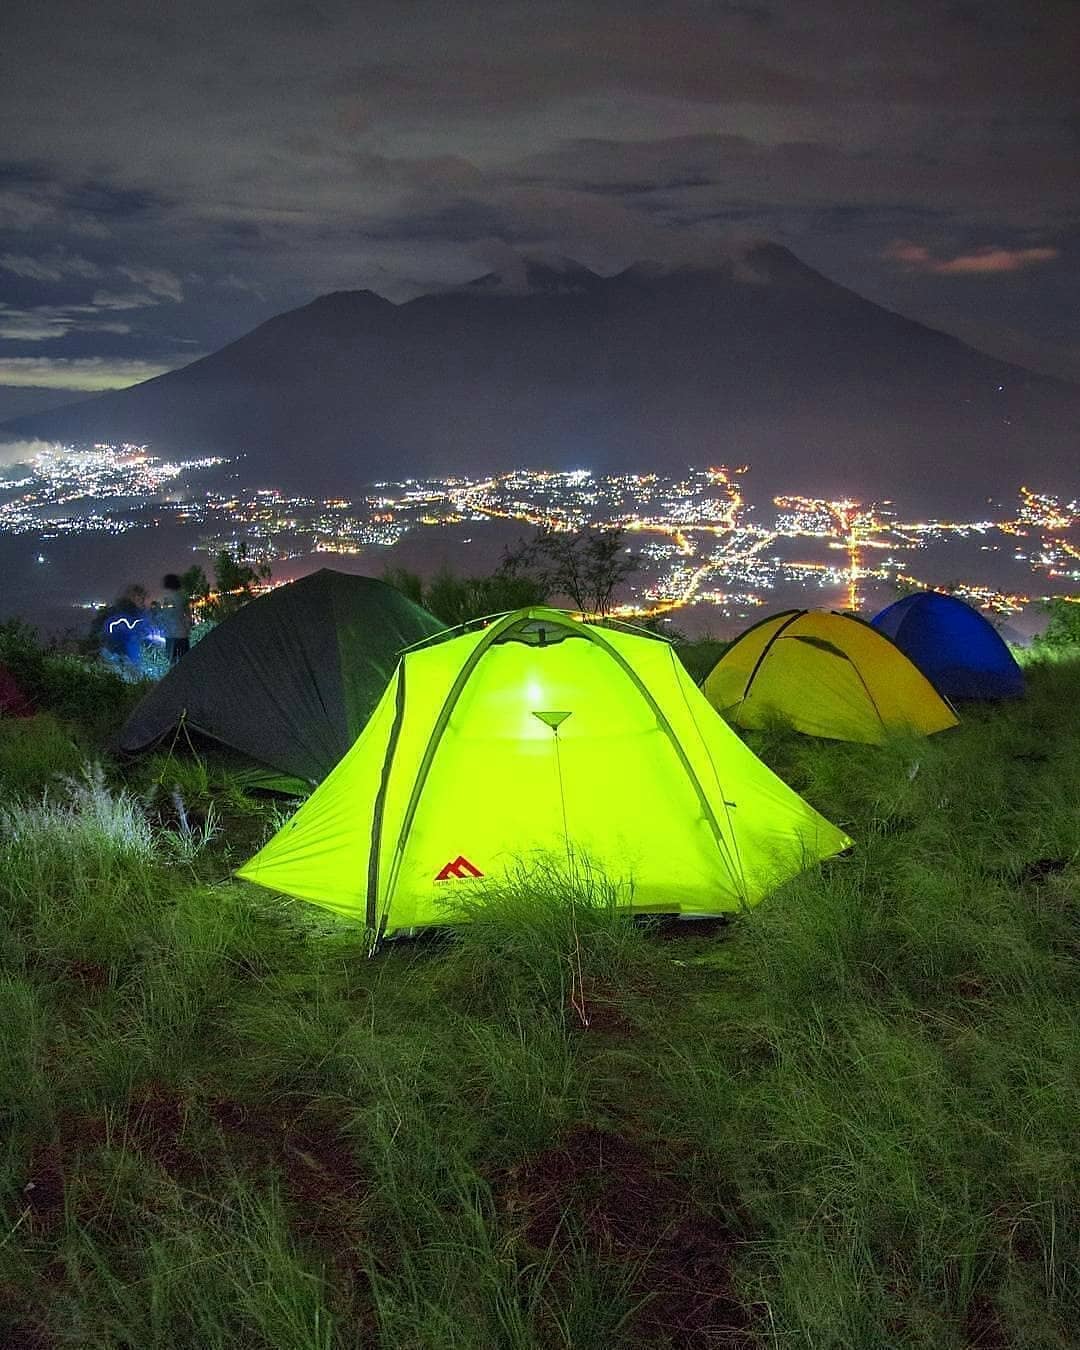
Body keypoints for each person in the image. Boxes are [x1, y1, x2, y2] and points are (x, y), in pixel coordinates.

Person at [160, 574, 192, 666]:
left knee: (172, 662)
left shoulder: (165, 599)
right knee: (186, 661)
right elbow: (188, 615)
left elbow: (163, 617)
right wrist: (188, 628)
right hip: (181, 634)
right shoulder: (182, 597)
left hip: (169, 635)